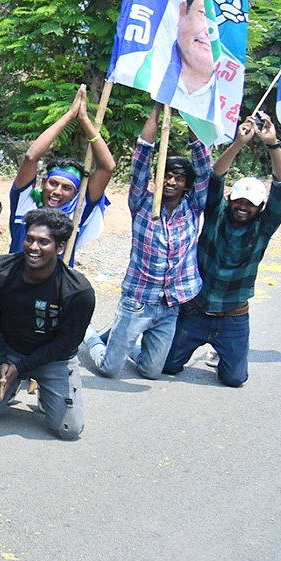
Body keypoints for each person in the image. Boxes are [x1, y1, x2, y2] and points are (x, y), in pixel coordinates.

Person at [163, 112, 281, 387]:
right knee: (168, 366)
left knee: (234, 379)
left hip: (233, 318)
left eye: (250, 203)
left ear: (260, 207)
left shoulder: (264, 227)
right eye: (239, 200)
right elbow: (215, 176)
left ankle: (221, 351)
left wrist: (272, 143)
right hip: (196, 311)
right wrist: (238, 143)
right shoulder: (216, 213)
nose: (243, 207)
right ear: (230, 199)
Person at [85, 104, 210, 379]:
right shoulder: (141, 203)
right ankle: (92, 335)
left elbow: (202, 161)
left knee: (152, 371)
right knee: (108, 368)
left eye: (178, 178)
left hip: (170, 305)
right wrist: (159, 106)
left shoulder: (193, 206)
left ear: (186, 186)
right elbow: (142, 155)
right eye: (166, 175)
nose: (171, 182)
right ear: (158, 178)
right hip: (138, 301)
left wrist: (188, 108)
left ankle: (123, 339)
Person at [0, 209, 94, 440]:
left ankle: (41, 387)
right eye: (30, 239)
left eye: (44, 242)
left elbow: (68, 342)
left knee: (69, 430)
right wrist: (4, 360)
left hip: (54, 359)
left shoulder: (78, 291)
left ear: (60, 247)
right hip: (9, 351)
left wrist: (22, 367)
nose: (34, 247)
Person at [8, 84, 114, 254]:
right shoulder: (26, 205)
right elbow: (31, 157)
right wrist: (69, 116)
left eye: (66, 188)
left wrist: (85, 120)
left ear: (76, 193)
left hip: (57, 281)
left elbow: (107, 168)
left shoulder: (78, 213)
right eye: (53, 183)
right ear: (43, 183)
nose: (57, 191)